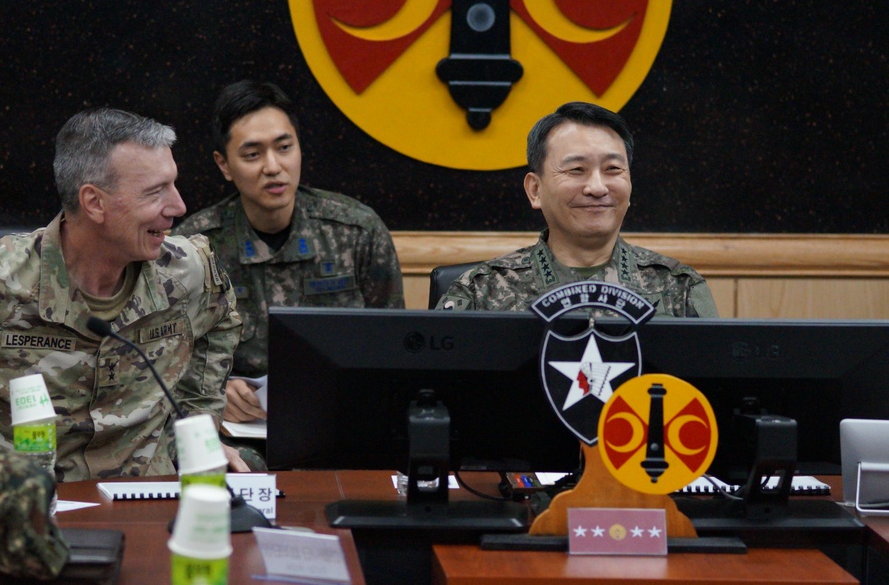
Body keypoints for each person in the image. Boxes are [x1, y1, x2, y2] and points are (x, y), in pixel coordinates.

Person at [0, 107, 248, 492]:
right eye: (155, 192)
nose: (178, 207)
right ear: (94, 203)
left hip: (144, 501)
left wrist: (197, 432)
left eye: (174, 185)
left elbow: (220, 318)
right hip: (5, 512)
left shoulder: (185, 272)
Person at [174, 80, 405, 433]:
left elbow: (395, 348)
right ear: (224, 164)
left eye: (284, 147)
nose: (273, 166)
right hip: (235, 433)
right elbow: (165, 360)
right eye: (252, 155)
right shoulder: (194, 247)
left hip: (340, 424)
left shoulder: (357, 231)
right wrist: (217, 390)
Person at [436, 101, 718, 316]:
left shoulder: (679, 289)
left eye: (613, 169)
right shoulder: (479, 293)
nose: (597, 187)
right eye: (576, 169)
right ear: (535, 190)